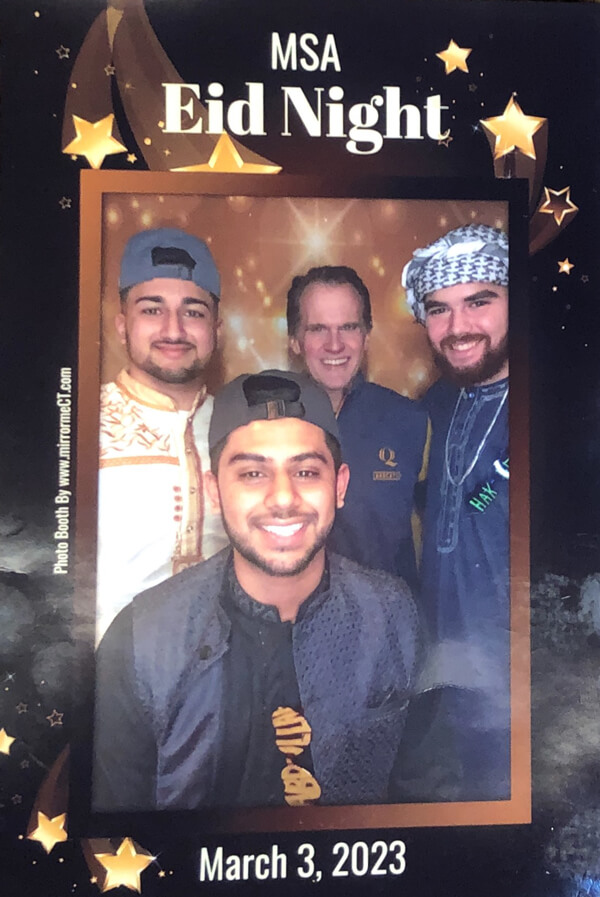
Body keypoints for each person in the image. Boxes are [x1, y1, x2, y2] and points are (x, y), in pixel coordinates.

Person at [93, 370, 422, 811]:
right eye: (252, 473)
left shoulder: (395, 618)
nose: (283, 497)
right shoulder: (142, 641)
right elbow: (117, 845)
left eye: (305, 471)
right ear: (214, 492)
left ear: (339, 486)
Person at [399, 223, 510, 801]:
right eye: (439, 309)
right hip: (447, 678)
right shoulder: (435, 404)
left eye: (480, 301)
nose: (459, 327)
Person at [96, 228, 228, 643]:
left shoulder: (240, 429)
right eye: (152, 310)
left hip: (220, 684)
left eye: (193, 312)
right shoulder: (80, 425)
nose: (174, 330)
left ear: (216, 329)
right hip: (104, 681)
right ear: (122, 326)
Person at [287, 266, 427, 588]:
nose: (334, 345)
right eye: (318, 329)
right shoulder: (265, 426)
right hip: (294, 629)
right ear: (295, 340)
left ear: (366, 335)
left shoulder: (412, 421)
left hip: (387, 627)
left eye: (348, 327)